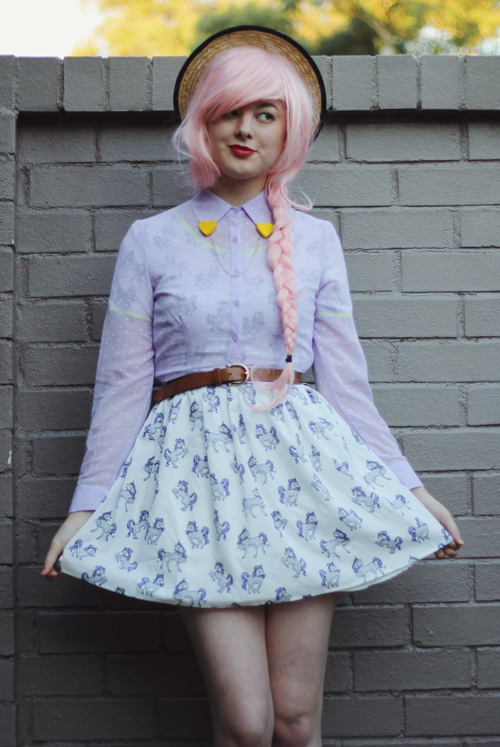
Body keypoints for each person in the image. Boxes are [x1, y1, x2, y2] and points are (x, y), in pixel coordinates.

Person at [42, 26, 463, 746]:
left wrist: (410, 487)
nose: (246, 128)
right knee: (245, 721)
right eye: (230, 111)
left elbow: (346, 382)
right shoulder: (151, 240)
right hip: (195, 481)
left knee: (295, 721)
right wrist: (86, 508)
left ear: (287, 130)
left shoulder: (317, 241)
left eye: (266, 114)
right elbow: (121, 384)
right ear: (203, 123)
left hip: (302, 476)